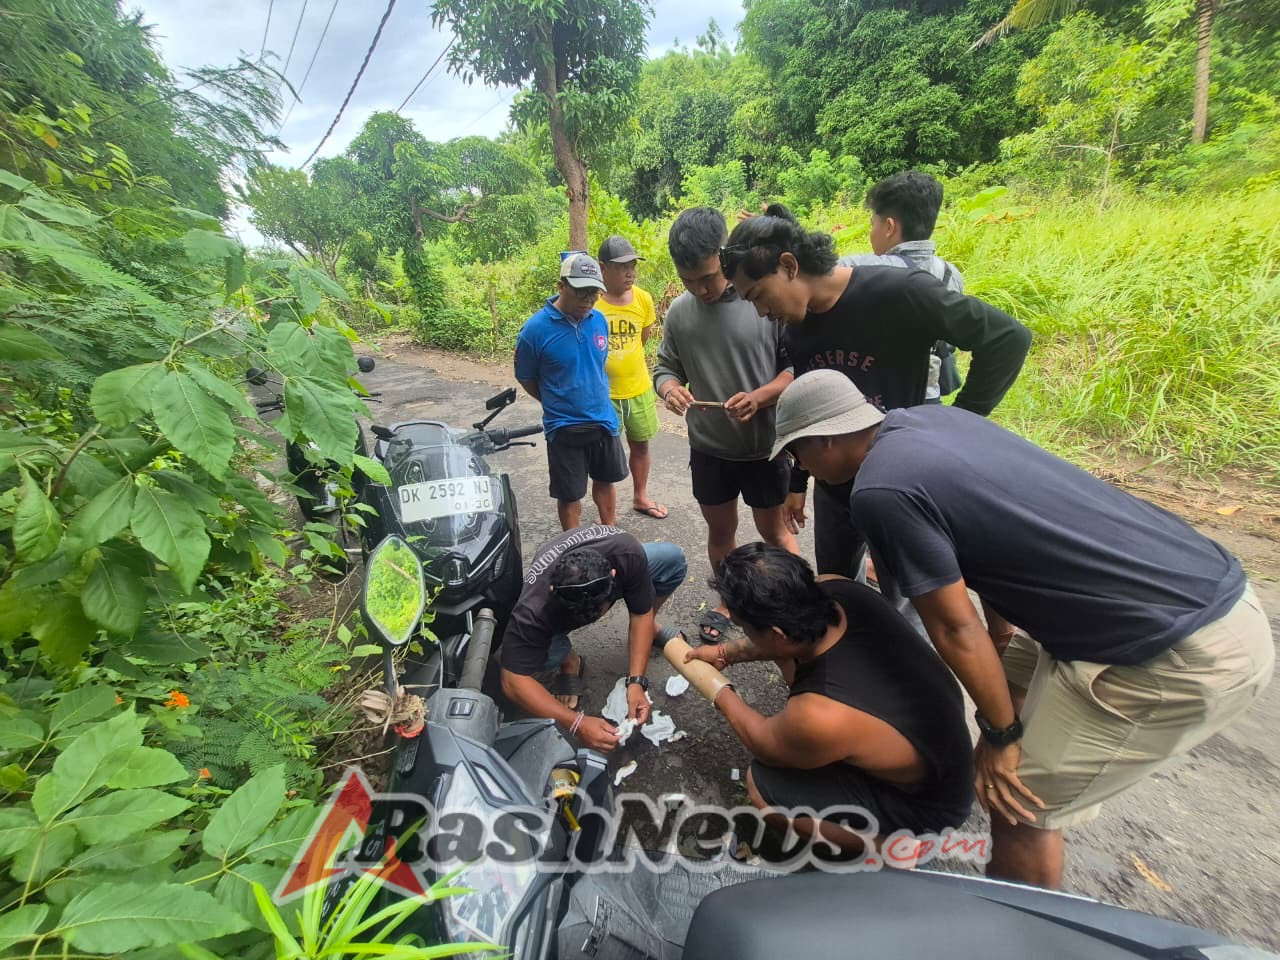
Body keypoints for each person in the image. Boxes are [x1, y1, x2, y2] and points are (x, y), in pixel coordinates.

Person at [769, 369, 1275, 888]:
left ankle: (1020, 926)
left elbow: (953, 626)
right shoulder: (931, 421)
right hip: (1207, 590)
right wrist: (1006, 642)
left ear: (826, 439)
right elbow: (987, 547)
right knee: (1004, 679)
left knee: (1017, 809)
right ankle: (946, 792)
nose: (799, 466)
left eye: (796, 454)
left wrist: (1001, 732)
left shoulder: (879, 491)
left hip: (1176, 650)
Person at [719, 209, 1031, 628]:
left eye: (758, 295)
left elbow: (1007, 338)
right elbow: (812, 415)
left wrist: (959, 425)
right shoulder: (798, 331)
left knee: (909, 600)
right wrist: (798, 482)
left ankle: (912, 678)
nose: (761, 312)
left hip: (899, 487)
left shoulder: (899, 293)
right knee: (836, 586)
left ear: (789, 266)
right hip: (835, 489)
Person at [683, 543, 973, 854]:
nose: (742, 635)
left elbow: (763, 744)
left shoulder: (818, 716)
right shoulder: (836, 587)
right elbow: (783, 644)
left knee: (764, 788)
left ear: (777, 634)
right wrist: (727, 653)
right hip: (940, 741)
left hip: (927, 804)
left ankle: (895, 849)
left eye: (745, 630)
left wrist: (717, 689)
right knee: (791, 667)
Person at [653, 207, 799, 645]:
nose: (701, 289)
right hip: (710, 449)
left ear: (725, 256)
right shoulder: (680, 312)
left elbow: (795, 370)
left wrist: (761, 396)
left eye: (709, 278)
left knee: (774, 533)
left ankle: (792, 602)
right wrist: (670, 390)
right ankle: (732, 600)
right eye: (688, 281)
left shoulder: (762, 298)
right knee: (721, 533)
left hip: (763, 449)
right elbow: (664, 368)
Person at [499, 525, 687, 752]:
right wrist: (575, 723)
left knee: (673, 560)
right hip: (549, 615)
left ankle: (649, 629)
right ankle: (570, 661)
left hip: (617, 556)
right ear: (553, 589)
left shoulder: (627, 554)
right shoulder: (533, 609)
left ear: (613, 576)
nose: (596, 618)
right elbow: (512, 681)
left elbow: (640, 613)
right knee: (544, 656)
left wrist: (637, 681)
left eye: (600, 610)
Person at [515, 252, 628, 531]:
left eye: (594, 292)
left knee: (606, 480)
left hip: (603, 419)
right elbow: (526, 377)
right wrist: (555, 399)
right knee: (570, 493)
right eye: (581, 292)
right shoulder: (534, 330)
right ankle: (572, 545)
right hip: (564, 426)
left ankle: (609, 531)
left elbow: (597, 365)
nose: (588, 300)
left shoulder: (599, 320)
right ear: (561, 286)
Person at [839, 171, 965, 403]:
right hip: (928, 399)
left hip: (871, 401)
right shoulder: (950, 274)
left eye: (872, 224)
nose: (871, 232)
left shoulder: (855, 268)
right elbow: (949, 342)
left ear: (889, 227)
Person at [596, 234, 667, 520]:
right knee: (604, 456)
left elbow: (643, 337)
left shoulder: (643, 299)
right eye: (622, 266)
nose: (630, 272)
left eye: (633, 265)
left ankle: (640, 497)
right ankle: (607, 523)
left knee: (641, 445)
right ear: (603, 268)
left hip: (638, 388)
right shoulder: (593, 303)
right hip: (604, 395)